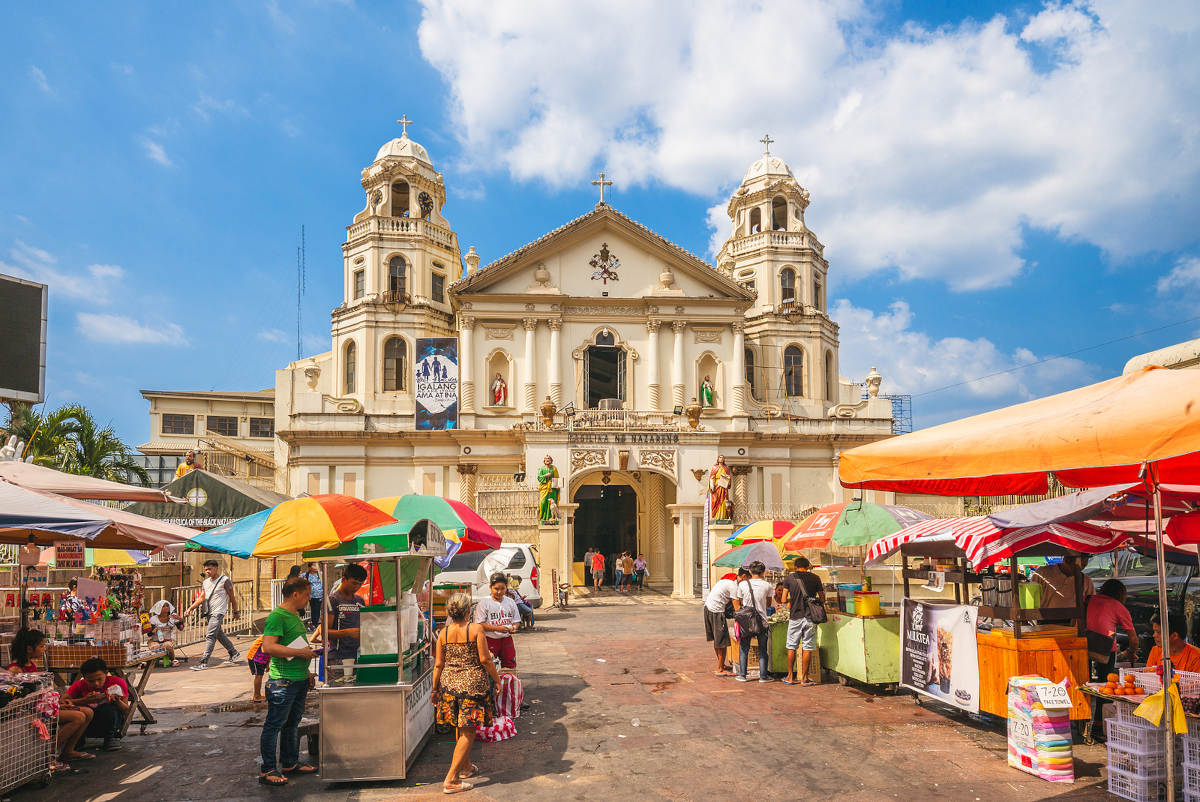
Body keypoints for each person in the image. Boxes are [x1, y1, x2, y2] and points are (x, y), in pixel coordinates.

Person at [434, 592, 503, 794]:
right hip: (472, 686)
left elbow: (438, 664)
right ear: (467, 611)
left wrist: (434, 689)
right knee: (468, 731)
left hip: (448, 685)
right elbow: (485, 659)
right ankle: (451, 779)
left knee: (459, 725)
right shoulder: (475, 629)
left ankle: (465, 768)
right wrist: (497, 680)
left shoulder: (444, 633)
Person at [258, 576, 319, 787]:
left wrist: (308, 672)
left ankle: (290, 762)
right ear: (295, 594)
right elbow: (268, 647)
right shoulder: (278, 616)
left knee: (292, 724)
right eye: (307, 594)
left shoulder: (294, 615)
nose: (309, 599)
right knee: (274, 725)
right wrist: (300, 653)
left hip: (299, 679)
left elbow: (296, 646)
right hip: (282, 682)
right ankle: (268, 769)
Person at [9, 628, 94, 769]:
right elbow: (22, 698)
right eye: (41, 646)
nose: (44, 649)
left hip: (43, 707)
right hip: (31, 712)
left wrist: (57, 704)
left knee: (88, 712)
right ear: (29, 649)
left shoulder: (31, 665)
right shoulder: (16, 670)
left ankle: (68, 751)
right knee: (78, 717)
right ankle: (47, 754)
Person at [1085, 579, 1138, 740]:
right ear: (1121, 594)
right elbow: (1134, 639)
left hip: (1083, 644)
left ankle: (1083, 723)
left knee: (1083, 684)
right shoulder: (1118, 606)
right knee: (1105, 686)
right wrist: (1131, 652)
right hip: (1105, 649)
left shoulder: (1089, 599)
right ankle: (1098, 725)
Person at [184, 559, 242, 670]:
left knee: (210, 635)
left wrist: (236, 611)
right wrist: (190, 609)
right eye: (206, 570)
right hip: (209, 612)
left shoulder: (225, 580)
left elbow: (232, 597)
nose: (208, 571)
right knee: (218, 634)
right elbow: (201, 598)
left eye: (210, 569)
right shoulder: (206, 582)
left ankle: (204, 662)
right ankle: (234, 653)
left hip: (219, 612)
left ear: (216, 568)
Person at [779, 557, 825, 686]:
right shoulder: (815, 578)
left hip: (795, 616)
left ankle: (789, 677)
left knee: (791, 646)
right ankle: (804, 678)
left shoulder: (789, 578)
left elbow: (783, 599)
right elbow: (822, 598)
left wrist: (792, 600)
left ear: (795, 567)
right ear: (808, 566)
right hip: (810, 616)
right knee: (807, 647)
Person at [67, 657, 130, 752]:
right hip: (87, 724)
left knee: (109, 709)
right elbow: (63, 702)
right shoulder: (79, 685)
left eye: (99, 679)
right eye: (91, 681)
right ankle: (78, 740)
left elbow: (126, 710)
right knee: (77, 711)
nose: (96, 684)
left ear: (106, 673)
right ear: (84, 678)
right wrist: (84, 700)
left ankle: (110, 737)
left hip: (110, 722)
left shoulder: (117, 683)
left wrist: (117, 701)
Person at [733, 561, 775, 683]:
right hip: (761, 620)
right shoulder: (767, 586)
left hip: (746, 621)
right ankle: (763, 676)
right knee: (763, 649)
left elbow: (740, 601)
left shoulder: (743, 585)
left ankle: (742, 675)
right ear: (763, 572)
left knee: (744, 647)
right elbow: (768, 604)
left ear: (750, 572)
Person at [326, 564, 367, 683]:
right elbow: (325, 633)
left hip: (358, 656)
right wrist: (347, 632)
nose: (357, 587)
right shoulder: (332, 601)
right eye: (354, 583)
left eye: (360, 584)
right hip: (338, 659)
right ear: (344, 579)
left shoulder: (360, 601)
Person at [704, 569, 747, 677]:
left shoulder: (728, 581)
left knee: (718, 639)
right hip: (716, 611)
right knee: (722, 641)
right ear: (744, 576)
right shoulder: (733, 586)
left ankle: (721, 665)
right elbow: (737, 607)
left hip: (709, 608)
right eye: (748, 579)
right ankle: (720, 668)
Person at [472, 572, 519, 671]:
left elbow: (516, 620)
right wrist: (498, 629)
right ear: (490, 587)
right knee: (488, 666)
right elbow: (479, 624)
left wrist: (514, 627)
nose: (499, 592)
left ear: (506, 588)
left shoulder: (510, 602)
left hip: (506, 639)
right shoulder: (484, 603)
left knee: (510, 666)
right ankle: (492, 686)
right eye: (496, 589)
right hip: (489, 639)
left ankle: (507, 685)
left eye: (502, 589)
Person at [1030, 556, 1095, 624]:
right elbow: (1031, 600)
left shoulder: (1086, 581)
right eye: (1080, 565)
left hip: (1073, 624)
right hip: (1044, 622)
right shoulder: (1042, 573)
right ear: (1067, 560)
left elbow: (1091, 606)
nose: (1081, 569)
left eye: (1084, 566)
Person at [145, 599, 181, 665]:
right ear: (159, 608)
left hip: (168, 640)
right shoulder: (153, 619)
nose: (166, 608)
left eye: (167, 606)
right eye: (163, 606)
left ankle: (173, 659)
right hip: (154, 640)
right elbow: (149, 634)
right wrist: (153, 631)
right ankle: (150, 662)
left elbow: (181, 628)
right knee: (155, 647)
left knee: (167, 646)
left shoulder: (172, 617)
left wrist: (179, 619)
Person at [708, 455, 732, 521]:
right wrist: (712, 485)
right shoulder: (714, 467)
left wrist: (727, 478)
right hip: (717, 486)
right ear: (718, 459)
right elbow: (711, 477)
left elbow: (729, 477)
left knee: (724, 501)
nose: (721, 459)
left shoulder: (726, 468)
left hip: (724, 486)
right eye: (720, 457)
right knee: (716, 500)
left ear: (724, 459)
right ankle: (716, 516)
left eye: (722, 458)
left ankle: (723, 516)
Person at [302, 563, 324, 632]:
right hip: (310, 596)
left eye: (316, 565)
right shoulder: (306, 575)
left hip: (319, 595)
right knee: (312, 609)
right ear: (310, 567)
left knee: (317, 609)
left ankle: (315, 623)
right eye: (314, 565)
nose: (316, 567)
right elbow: (298, 578)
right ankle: (314, 623)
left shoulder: (320, 573)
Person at [246, 635, 269, 702]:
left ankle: (258, 695)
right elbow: (264, 649)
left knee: (260, 675)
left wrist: (267, 664)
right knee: (259, 676)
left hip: (263, 658)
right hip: (255, 657)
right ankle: (256, 696)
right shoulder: (268, 635)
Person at [537, 456, 560, 522]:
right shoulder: (542, 468)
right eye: (546, 459)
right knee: (543, 502)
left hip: (552, 488)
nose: (547, 460)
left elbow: (557, 477)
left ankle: (552, 517)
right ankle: (543, 517)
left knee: (553, 504)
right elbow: (539, 477)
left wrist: (557, 485)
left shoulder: (554, 468)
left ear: (551, 460)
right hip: (544, 487)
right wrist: (545, 475)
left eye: (549, 459)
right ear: (544, 461)